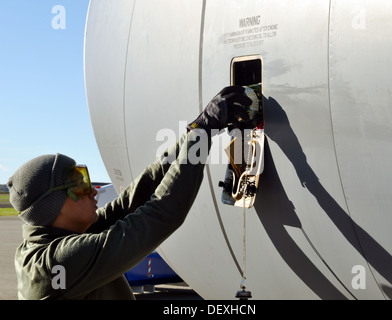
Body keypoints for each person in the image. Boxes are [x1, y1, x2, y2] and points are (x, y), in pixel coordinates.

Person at [8, 86, 252, 300]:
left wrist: (196, 130)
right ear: (54, 204)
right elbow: (160, 214)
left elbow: (133, 199)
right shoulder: (56, 263)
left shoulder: (51, 237)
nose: (93, 190)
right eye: (79, 184)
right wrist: (202, 132)